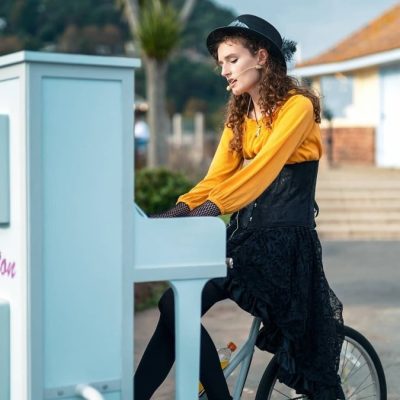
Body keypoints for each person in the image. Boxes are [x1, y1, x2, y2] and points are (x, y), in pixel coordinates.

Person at [134, 15, 344, 400]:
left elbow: (261, 173)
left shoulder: (296, 107)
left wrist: (210, 210)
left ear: (261, 56)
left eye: (231, 60)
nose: (223, 71)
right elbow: (215, 179)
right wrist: (175, 213)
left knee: (176, 304)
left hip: (284, 247)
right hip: (247, 239)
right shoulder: (240, 117)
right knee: (174, 304)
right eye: (221, 63)